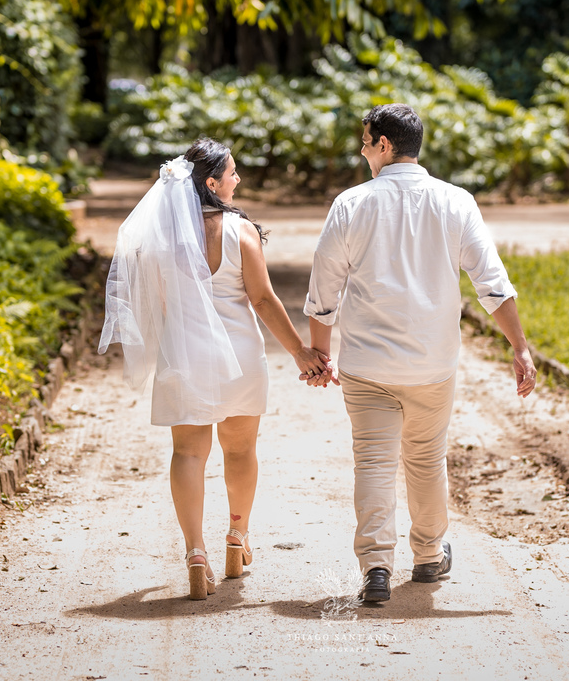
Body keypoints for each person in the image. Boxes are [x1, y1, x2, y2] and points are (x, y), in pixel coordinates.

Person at [302, 103, 536, 603]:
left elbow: (324, 293)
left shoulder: (350, 204)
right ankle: (428, 555)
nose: (363, 152)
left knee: (373, 462)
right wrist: (519, 347)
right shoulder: (456, 202)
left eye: (366, 143)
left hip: (367, 365)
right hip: (432, 364)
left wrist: (320, 356)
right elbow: (491, 284)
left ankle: (376, 569)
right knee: (427, 460)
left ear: (385, 145)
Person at [100, 137, 328, 600]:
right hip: (240, 356)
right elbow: (262, 300)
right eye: (232, 173)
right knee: (240, 450)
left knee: (188, 454)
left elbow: (154, 303)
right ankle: (236, 536)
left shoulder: (158, 237)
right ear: (211, 183)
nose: (238, 179)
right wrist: (302, 353)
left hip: (182, 355)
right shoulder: (240, 232)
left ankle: (195, 551)